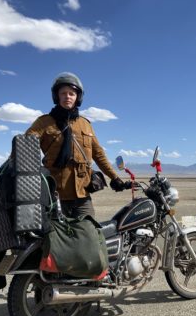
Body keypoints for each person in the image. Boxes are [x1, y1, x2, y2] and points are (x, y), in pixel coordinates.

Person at [26, 72, 125, 218]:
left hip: (82, 194)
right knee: (56, 238)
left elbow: (99, 155)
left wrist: (115, 178)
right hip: (55, 195)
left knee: (90, 233)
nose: (67, 96)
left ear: (77, 97)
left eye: (72, 93)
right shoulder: (44, 122)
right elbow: (24, 147)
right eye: (63, 93)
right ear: (57, 96)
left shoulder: (85, 124)